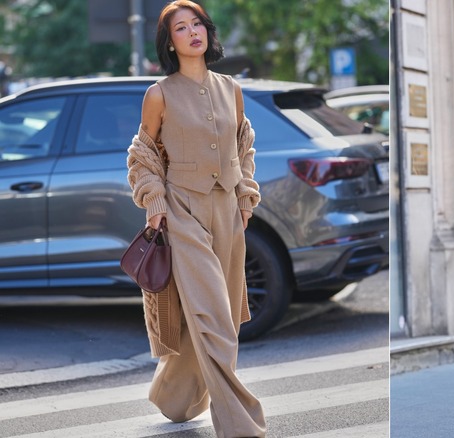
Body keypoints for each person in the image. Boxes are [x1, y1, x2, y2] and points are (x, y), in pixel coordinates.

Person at [126, 1, 265, 436]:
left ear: (207, 31)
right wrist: (156, 204)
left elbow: (242, 149)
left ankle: (174, 398)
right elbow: (142, 157)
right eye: (181, 28)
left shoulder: (231, 89)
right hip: (183, 214)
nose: (192, 32)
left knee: (211, 317)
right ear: (170, 41)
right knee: (214, 319)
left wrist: (245, 197)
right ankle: (241, 424)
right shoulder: (159, 94)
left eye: (197, 24)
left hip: (227, 214)